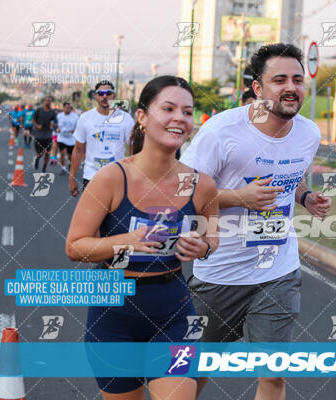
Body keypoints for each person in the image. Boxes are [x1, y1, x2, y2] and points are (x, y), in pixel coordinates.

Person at [180, 43, 332, 399]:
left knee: (273, 376)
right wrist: (238, 198)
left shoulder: (308, 133)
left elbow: (289, 176)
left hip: (277, 271)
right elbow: (183, 190)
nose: (290, 87)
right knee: (196, 367)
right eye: (279, 80)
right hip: (220, 272)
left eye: (297, 78)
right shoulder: (223, 131)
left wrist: (305, 197)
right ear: (258, 88)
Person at [65, 75, 219, 400]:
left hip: (174, 310)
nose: (180, 118)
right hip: (114, 316)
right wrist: (126, 242)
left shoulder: (202, 185)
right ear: (142, 116)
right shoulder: (110, 179)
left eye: (188, 112)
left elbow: (212, 237)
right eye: (168, 108)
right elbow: (75, 246)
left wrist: (201, 246)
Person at [69, 80, 135, 196]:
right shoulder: (85, 118)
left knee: (115, 214)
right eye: (101, 93)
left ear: (114, 96)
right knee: (92, 214)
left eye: (108, 93)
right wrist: (72, 178)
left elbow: (133, 149)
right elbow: (78, 150)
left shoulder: (126, 119)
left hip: (118, 177)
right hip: (91, 177)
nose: (105, 96)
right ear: (95, 96)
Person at [32, 97, 57, 172]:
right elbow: (33, 119)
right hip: (39, 135)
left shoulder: (52, 112)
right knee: (40, 153)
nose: (48, 102)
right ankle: (37, 159)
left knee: (47, 153)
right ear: (44, 102)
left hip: (48, 135)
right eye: (47, 101)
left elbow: (55, 123)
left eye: (49, 101)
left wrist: (53, 125)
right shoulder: (39, 110)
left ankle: (44, 167)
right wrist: (37, 126)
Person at [55, 102, 79, 175]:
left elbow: (78, 128)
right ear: (63, 108)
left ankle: (69, 162)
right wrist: (57, 129)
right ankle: (63, 168)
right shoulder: (59, 116)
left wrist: (74, 130)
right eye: (66, 107)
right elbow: (55, 125)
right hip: (61, 138)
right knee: (62, 152)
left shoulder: (75, 117)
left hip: (71, 139)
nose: (68, 109)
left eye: (69, 108)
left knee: (70, 156)